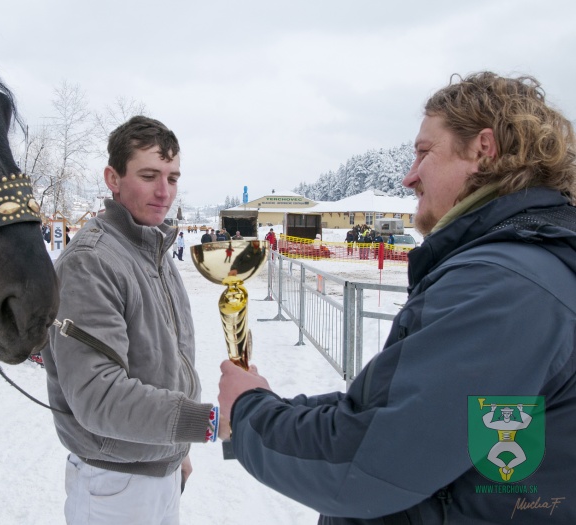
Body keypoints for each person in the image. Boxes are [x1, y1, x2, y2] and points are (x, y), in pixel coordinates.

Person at [217, 72, 576, 524]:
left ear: (483, 150)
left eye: (424, 153)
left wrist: (249, 413)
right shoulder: (522, 271)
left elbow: (368, 461)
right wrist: (278, 405)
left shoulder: (504, 287)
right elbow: (417, 412)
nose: (409, 178)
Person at [42, 116, 217, 525]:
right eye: (149, 175)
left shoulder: (152, 248)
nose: (164, 192)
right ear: (113, 178)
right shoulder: (93, 261)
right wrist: (206, 423)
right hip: (114, 485)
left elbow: (164, 364)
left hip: (158, 466)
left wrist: (178, 449)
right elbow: (98, 397)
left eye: (173, 178)